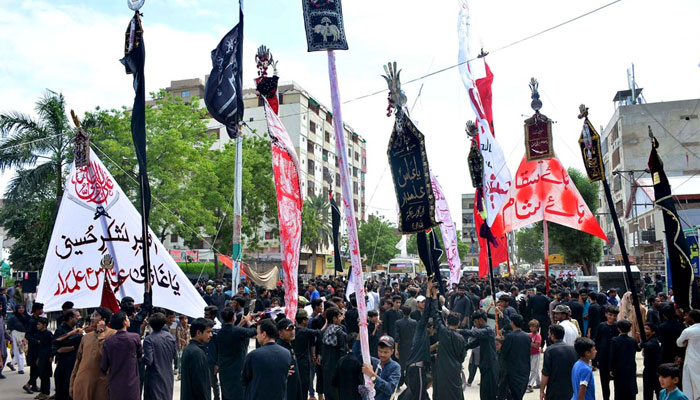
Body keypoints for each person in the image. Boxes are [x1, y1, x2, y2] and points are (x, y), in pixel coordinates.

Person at [70, 307, 116, 400]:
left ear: (103, 320)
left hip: (101, 383)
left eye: (95, 316)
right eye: (92, 315)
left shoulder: (113, 335)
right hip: (82, 381)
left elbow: (105, 354)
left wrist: (101, 333)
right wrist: (72, 382)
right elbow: (78, 361)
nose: (91, 318)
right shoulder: (86, 337)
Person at [431, 283, 467, 400]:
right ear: (458, 324)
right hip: (455, 369)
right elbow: (462, 356)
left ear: (447, 322)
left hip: (441, 368)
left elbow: (436, 316)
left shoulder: (442, 332)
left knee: (440, 392)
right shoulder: (461, 338)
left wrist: (434, 297)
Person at [242, 318, 293, 400]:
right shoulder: (286, 353)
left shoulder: (253, 355)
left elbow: (244, 379)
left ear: (264, 334)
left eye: (258, 333)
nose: (257, 336)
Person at [101, 311, 142, 400]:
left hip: (115, 383)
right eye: (127, 318)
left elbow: (104, 366)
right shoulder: (135, 338)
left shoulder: (108, 341)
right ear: (124, 322)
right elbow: (140, 356)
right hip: (132, 382)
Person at [217, 307, 256, 400]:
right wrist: (248, 321)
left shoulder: (220, 332)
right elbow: (253, 331)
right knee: (238, 392)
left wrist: (241, 323)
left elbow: (233, 330)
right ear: (233, 317)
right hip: (237, 367)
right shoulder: (237, 331)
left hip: (224, 367)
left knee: (226, 392)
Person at [461, 310, 499, 400]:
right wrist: (464, 347)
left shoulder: (487, 331)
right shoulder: (484, 333)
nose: (474, 324)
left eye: (475, 322)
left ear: (481, 320)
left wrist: (459, 331)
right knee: (484, 392)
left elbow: (474, 333)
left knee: (490, 392)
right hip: (485, 365)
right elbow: (475, 343)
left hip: (490, 366)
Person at [143, 312, 178, 400]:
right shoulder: (171, 337)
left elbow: (149, 360)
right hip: (168, 374)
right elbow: (175, 355)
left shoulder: (149, 339)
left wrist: (140, 358)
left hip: (154, 376)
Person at [540, 325, 578, 400]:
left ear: (553, 336)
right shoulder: (573, 350)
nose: (548, 336)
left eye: (549, 334)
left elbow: (545, 373)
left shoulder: (549, 350)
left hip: (554, 391)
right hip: (570, 389)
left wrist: (542, 391)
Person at [52, 309, 83, 400]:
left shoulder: (78, 329)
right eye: (77, 317)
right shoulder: (62, 330)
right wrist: (72, 333)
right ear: (70, 318)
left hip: (73, 364)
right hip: (63, 365)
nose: (79, 318)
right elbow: (56, 342)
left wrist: (72, 348)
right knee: (62, 390)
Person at [181, 318, 215, 400]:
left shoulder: (189, 349)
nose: (211, 335)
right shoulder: (196, 353)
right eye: (208, 332)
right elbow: (200, 384)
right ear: (198, 333)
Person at [500, 314, 531, 400]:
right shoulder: (527, 336)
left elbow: (503, 353)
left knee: (512, 395)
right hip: (524, 370)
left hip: (512, 371)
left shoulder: (510, 337)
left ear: (512, 323)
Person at [362, 335, 401, 400]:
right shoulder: (373, 362)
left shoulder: (395, 367)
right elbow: (359, 353)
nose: (382, 354)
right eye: (380, 351)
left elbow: (390, 389)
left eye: (385, 352)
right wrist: (362, 330)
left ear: (392, 351)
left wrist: (372, 375)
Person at [321, 307, 347, 400]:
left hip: (326, 367)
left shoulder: (324, 331)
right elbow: (342, 352)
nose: (341, 318)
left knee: (328, 392)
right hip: (336, 367)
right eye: (340, 316)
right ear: (334, 319)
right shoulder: (340, 333)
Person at [595, 306, 620, 400]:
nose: (612, 317)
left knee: (617, 382)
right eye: (610, 315)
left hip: (615, 358)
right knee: (604, 382)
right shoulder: (601, 326)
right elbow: (597, 341)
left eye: (614, 315)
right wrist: (596, 358)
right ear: (606, 314)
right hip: (603, 357)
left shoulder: (618, 327)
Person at [610, 319, 638, 400]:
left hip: (618, 368)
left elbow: (612, 355)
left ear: (618, 329)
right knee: (631, 386)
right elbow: (638, 349)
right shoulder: (633, 341)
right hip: (630, 367)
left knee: (619, 388)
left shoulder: (614, 340)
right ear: (629, 329)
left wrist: (611, 368)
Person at [676, 309, 700, 400]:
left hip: (692, 360)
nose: (685, 318)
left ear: (692, 318)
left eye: (687, 316)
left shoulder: (688, 331)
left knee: (690, 384)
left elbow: (679, 343)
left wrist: (686, 342)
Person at [277, 318, 304, 400]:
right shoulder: (279, 349)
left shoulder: (289, 345)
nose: (292, 331)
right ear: (280, 332)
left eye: (293, 328)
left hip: (294, 387)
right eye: (288, 329)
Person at [332, 333, 363, 400]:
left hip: (343, 395)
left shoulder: (340, 360)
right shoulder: (360, 361)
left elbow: (334, 381)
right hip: (357, 395)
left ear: (347, 346)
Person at [23, 302, 44, 394]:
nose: (42, 311)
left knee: (36, 367)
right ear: (36, 310)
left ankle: (34, 385)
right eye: (40, 309)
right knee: (36, 367)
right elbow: (27, 335)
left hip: (40, 347)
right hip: (34, 348)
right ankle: (28, 384)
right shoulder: (31, 321)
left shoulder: (40, 320)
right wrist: (36, 341)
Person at [395, 305, 417, 387]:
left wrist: (396, 349)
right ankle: (409, 382)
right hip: (411, 346)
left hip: (402, 347)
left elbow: (397, 337)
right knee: (410, 365)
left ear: (402, 312)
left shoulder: (398, 322)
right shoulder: (414, 322)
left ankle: (400, 383)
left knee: (401, 366)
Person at [639, 323, 663, 400]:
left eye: (647, 329)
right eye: (644, 328)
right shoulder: (649, 340)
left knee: (657, 391)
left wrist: (641, 341)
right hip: (649, 370)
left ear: (653, 332)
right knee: (647, 392)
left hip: (654, 371)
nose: (645, 331)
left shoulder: (654, 341)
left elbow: (645, 345)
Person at [34, 317, 53, 400]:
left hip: (47, 356)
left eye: (39, 324)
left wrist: (52, 356)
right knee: (41, 374)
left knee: (45, 375)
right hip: (41, 356)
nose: (37, 325)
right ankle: (42, 392)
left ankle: (46, 393)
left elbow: (52, 345)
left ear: (44, 325)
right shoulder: (39, 333)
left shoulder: (48, 333)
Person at [7, 304, 28, 374]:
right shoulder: (13, 318)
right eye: (19, 308)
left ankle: (11, 363)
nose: (21, 309)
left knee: (19, 352)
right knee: (20, 352)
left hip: (24, 336)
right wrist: (9, 338)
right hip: (16, 335)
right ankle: (20, 369)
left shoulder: (27, 317)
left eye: (22, 307)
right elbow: (9, 328)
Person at [528, 319, 542, 391]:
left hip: (536, 354)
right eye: (531, 327)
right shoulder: (529, 335)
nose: (532, 328)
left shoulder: (538, 336)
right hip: (530, 353)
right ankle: (539, 383)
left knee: (533, 369)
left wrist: (529, 343)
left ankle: (530, 384)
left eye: (534, 327)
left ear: (537, 328)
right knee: (535, 368)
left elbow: (537, 346)